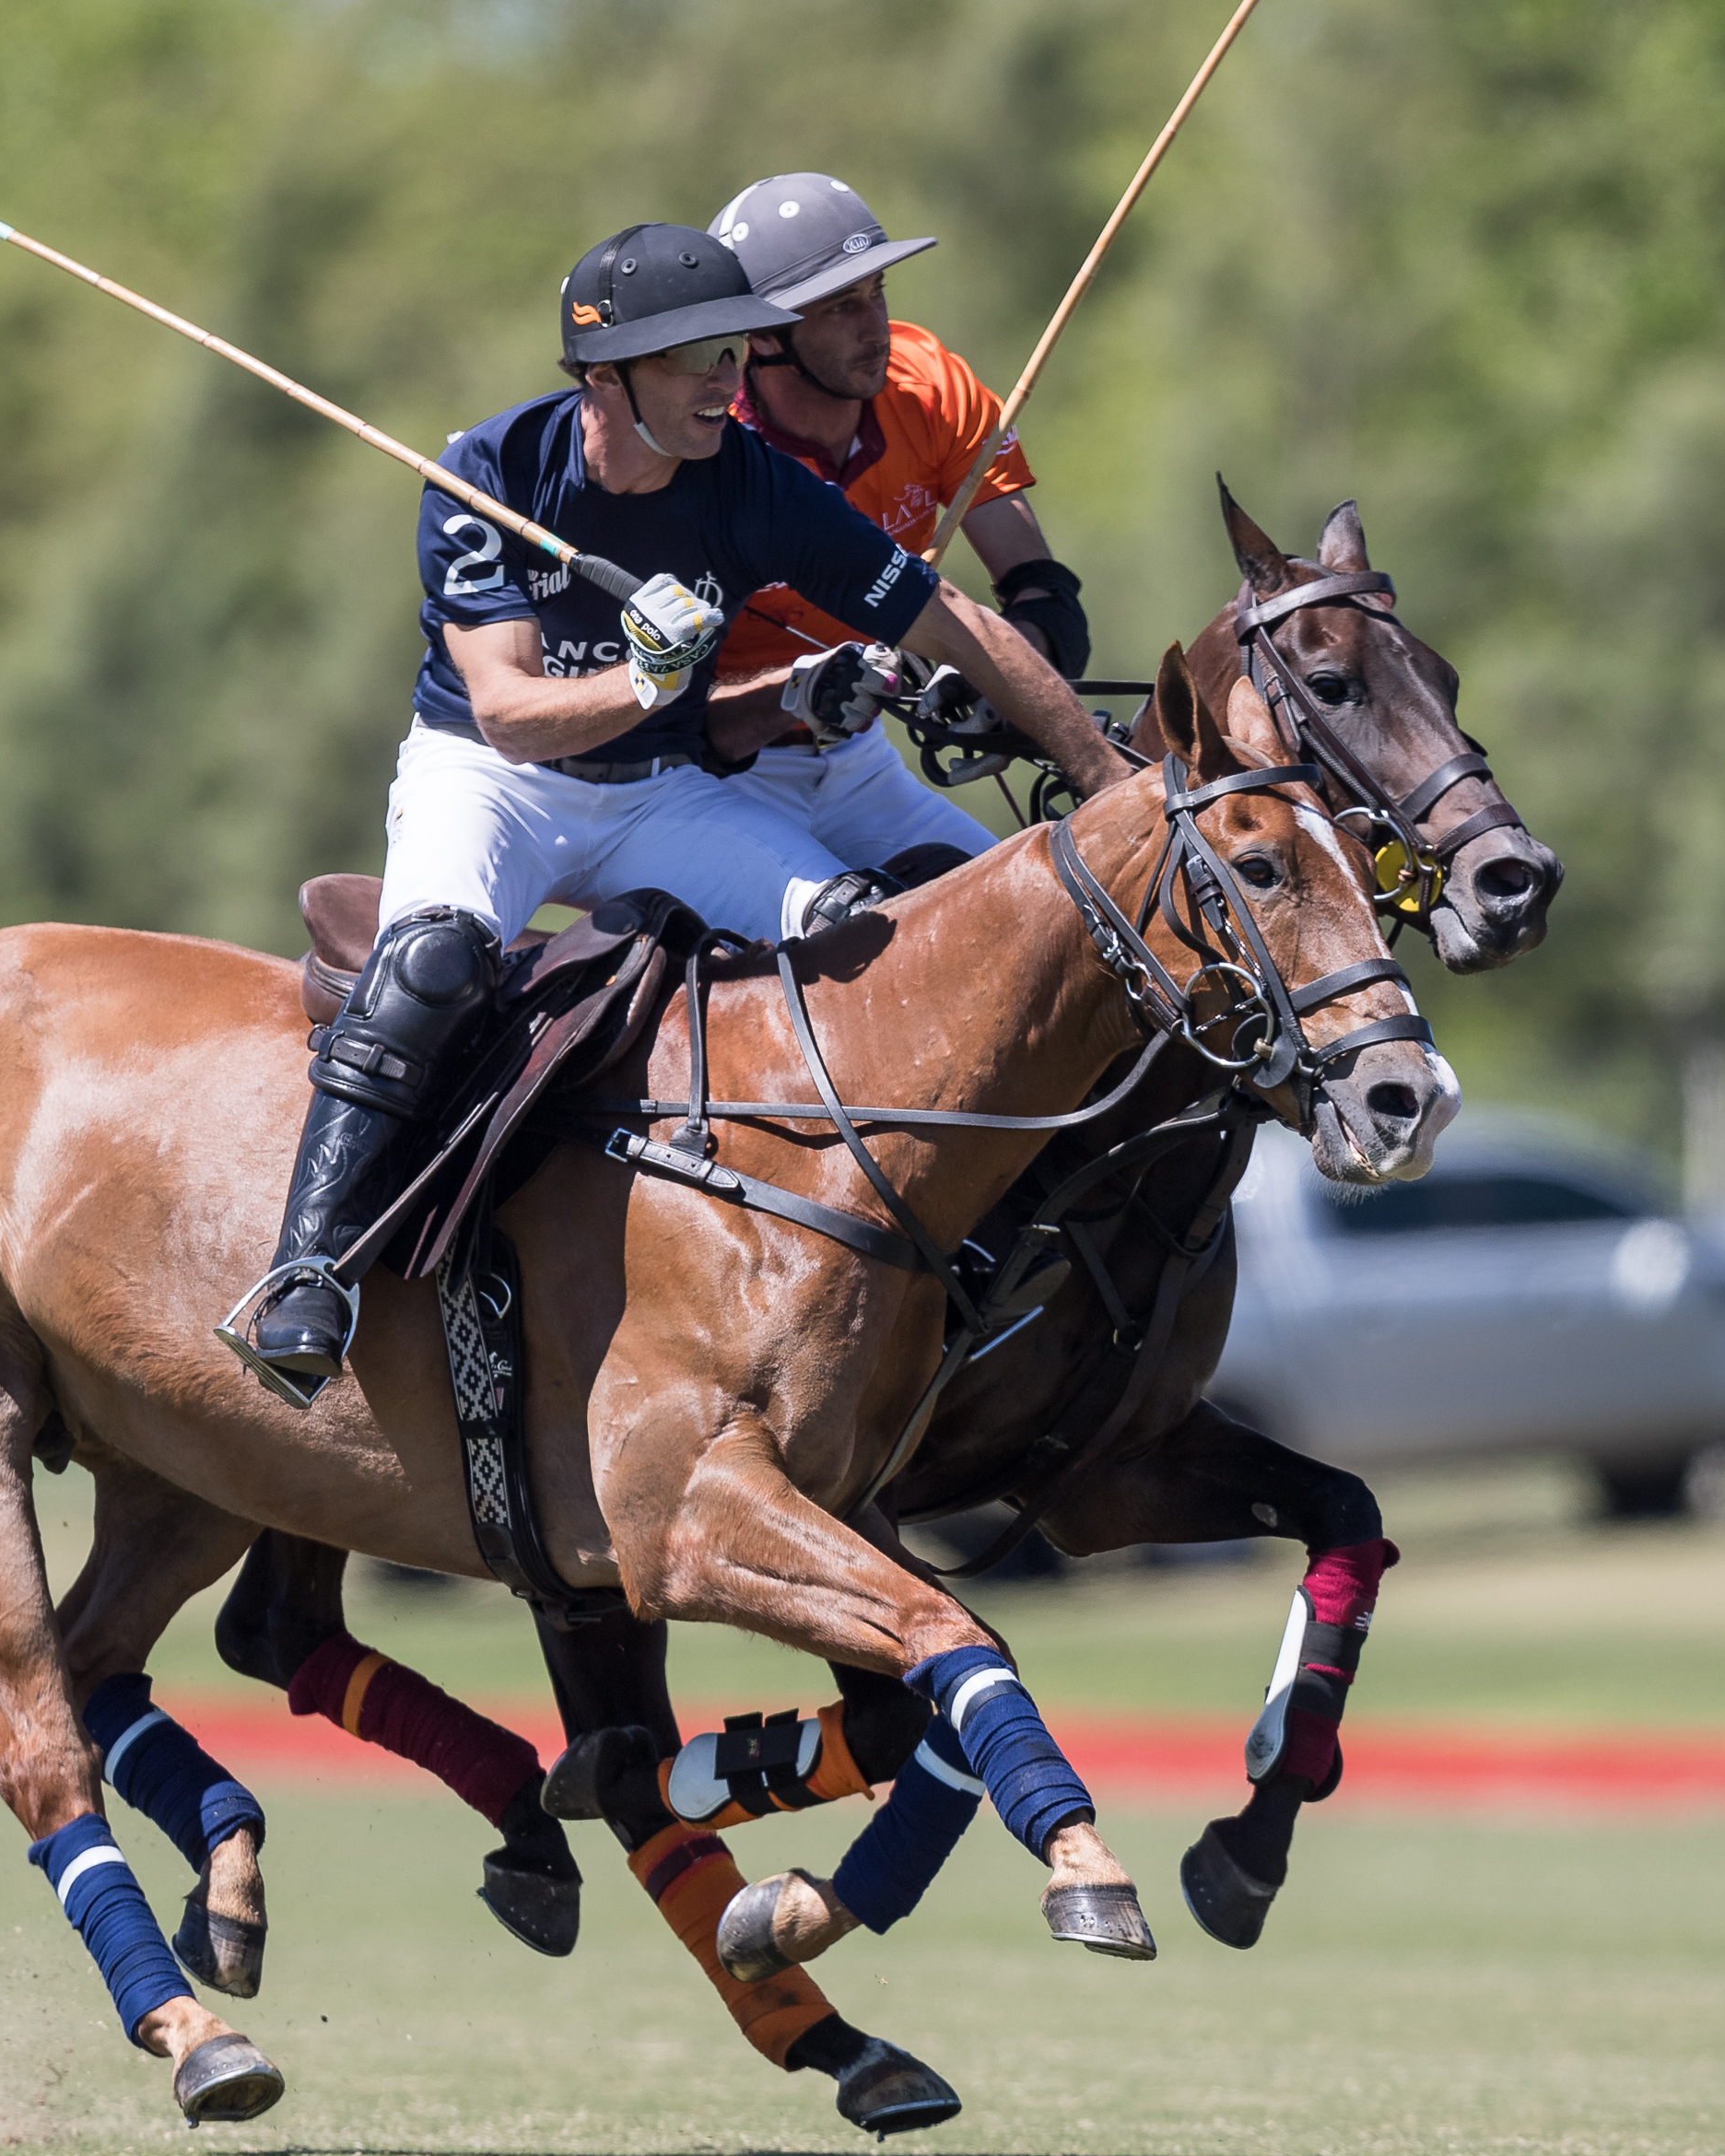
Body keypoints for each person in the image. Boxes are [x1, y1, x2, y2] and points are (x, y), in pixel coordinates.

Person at [224, 221, 1129, 1396]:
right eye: (697, 358)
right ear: (607, 376)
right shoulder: (489, 471)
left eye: (735, 352)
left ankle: (941, 1252)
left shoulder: (749, 485)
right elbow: (503, 711)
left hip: (661, 793)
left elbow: (948, 620)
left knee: (868, 938)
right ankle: (309, 1271)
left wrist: (1110, 782)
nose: (728, 381)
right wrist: (640, 679)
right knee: (433, 968)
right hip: (492, 785)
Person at [699, 172, 1097, 877]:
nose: (875, 325)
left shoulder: (932, 386)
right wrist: (792, 690)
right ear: (762, 336)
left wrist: (977, 678)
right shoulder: (705, 453)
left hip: (859, 768)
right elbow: (665, 703)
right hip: (719, 780)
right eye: (842, 306)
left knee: (1063, 926)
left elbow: (1044, 596)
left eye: (878, 291)